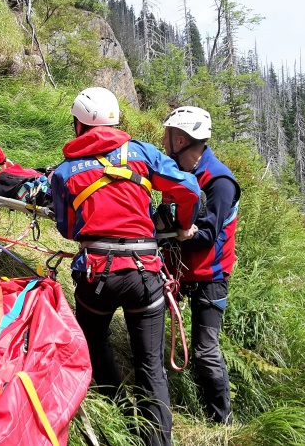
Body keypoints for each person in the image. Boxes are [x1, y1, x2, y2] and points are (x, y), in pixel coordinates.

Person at [51, 87, 201, 446]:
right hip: (146, 274)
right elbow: (190, 189)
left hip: (98, 276)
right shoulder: (143, 154)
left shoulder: (66, 172)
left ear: (79, 125)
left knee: (94, 340)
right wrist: (181, 225)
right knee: (151, 365)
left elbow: (68, 228)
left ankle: (118, 411)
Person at [159, 106, 241, 426]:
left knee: (206, 352)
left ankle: (222, 423)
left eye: (167, 135)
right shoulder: (177, 171)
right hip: (176, 269)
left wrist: (172, 235)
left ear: (180, 140)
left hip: (210, 277)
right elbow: (167, 217)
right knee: (152, 331)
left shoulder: (219, 182)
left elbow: (205, 236)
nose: (163, 140)